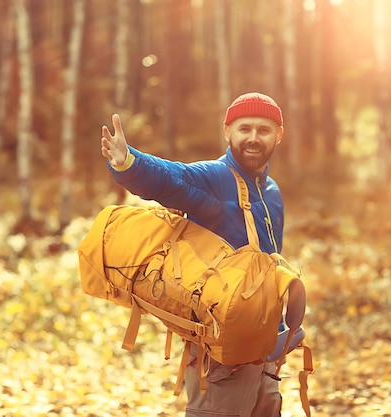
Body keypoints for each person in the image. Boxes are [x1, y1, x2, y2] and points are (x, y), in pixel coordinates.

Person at [100, 92, 286, 417]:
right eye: (245, 129)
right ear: (228, 132)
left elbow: (269, 270)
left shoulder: (270, 191)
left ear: (278, 135)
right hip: (219, 356)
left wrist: (280, 336)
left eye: (263, 129)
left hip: (263, 351)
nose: (253, 138)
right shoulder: (215, 179)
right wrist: (129, 163)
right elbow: (174, 178)